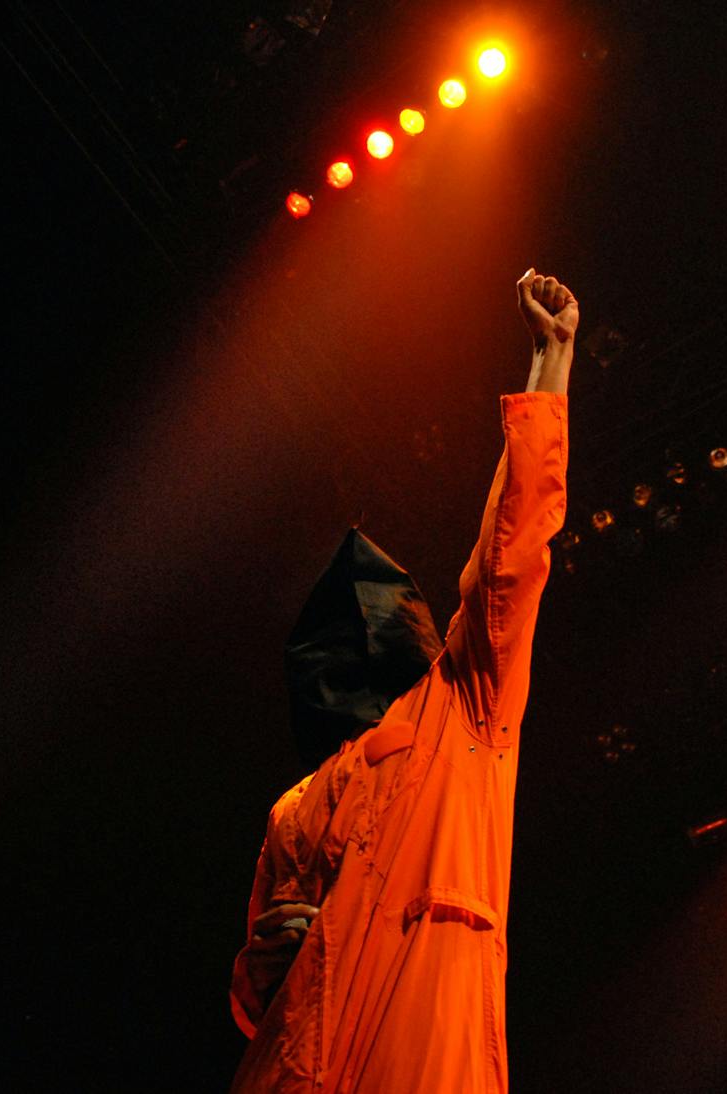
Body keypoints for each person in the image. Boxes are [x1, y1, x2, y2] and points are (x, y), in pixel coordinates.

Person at [229, 269, 578, 1093]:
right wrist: (271, 952)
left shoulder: (465, 707)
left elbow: (510, 558)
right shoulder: (296, 811)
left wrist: (550, 363)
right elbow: (251, 996)